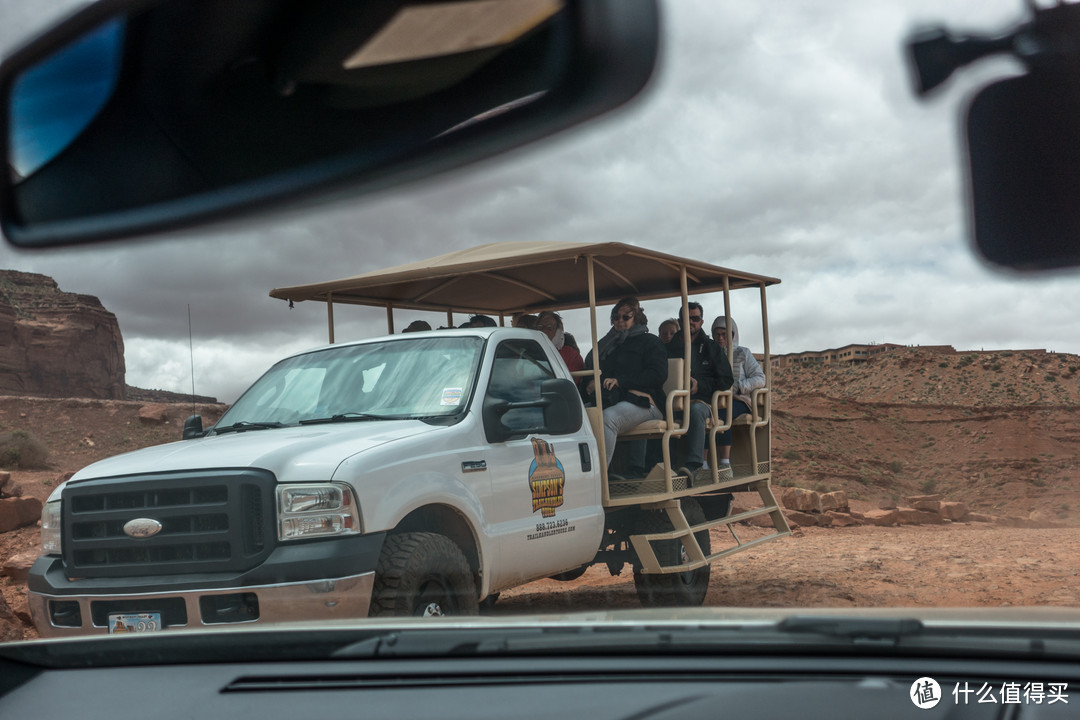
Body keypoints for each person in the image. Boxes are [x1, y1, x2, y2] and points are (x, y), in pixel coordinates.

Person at [583, 297, 666, 475]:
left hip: (647, 402)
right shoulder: (612, 345)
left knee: (608, 419)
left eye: (625, 317)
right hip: (618, 399)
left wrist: (622, 381)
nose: (620, 321)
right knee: (579, 415)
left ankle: (598, 480)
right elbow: (592, 361)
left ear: (636, 318)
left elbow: (658, 375)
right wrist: (592, 381)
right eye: (616, 317)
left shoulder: (650, 341)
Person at [666, 302, 733, 483]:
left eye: (695, 318)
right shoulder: (668, 348)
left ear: (701, 322)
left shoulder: (712, 348)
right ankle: (664, 465)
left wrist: (700, 385)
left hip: (702, 401)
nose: (691, 322)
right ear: (680, 321)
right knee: (656, 412)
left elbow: (726, 380)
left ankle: (693, 465)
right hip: (672, 401)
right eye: (687, 319)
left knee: (695, 412)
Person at [711, 315, 766, 469]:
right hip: (716, 398)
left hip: (739, 399)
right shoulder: (711, 354)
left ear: (733, 334)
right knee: (705, 412)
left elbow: (760, 378)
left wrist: (739, 386)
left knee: (723, 413)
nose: (721, 338)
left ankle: (724, 463)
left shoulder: (743, 353)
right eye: (717, 334)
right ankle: (703, 464)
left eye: (725, 334)